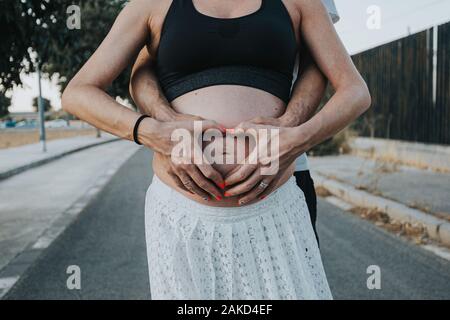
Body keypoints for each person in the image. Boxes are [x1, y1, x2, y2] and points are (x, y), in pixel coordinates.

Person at [62, 0, 371, 299]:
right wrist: (152, 131)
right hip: (181, 216)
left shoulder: (302, 3)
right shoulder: (151, 4)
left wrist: (297, 137)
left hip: (275, 207)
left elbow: (355, 90)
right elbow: (79, 92)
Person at [130, 0, 340, 245]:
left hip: (280, 170)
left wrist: (290, 128)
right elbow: (146, 64)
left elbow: (318, 62)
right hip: (182, 200)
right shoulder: (155, 7)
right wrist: (164, 122)